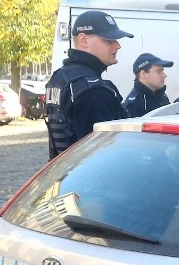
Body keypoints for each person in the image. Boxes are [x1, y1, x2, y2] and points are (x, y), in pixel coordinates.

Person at [45, 10, 133, 160]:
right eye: (109, 40)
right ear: (83, 40)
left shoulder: (59, 77)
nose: (117, 46)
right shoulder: (93, 90)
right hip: (87, 178)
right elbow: (103, 157)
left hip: (65, 173)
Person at [123, 53, 174, 117]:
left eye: (162, 71)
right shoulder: (134, 104)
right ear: (143, 74)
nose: (164, 75)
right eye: (159, 71)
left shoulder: (162, 96)